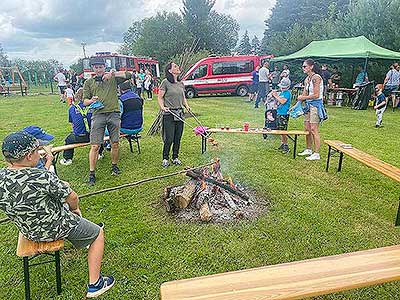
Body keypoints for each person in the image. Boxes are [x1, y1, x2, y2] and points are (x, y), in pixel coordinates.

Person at [0, 132, 114, 298]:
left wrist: (48, 162)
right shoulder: (42, 177)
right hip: (54, 226)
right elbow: (72, 197)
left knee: (64, 190)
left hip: (28, 229)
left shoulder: (3, 177)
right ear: (29, 155)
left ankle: (83, 234)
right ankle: (95, 284)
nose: (39, 153)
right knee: (98, 233)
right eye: (37, 150)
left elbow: (31, 183)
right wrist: (74, 209)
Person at [83, 57, 131, 185]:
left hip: (114, 114)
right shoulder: (88, 82)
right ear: (93, 68)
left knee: (115, 143)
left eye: (101, 67)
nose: (98, 70)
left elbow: (129, 75)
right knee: (95, 145)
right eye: (96, 67)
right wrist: (91, 101)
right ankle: (92, 173)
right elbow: (84, 101)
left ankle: (114, 166)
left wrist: (113, 73)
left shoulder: (113, 78)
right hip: (98, 115)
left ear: (104, 67)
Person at [158, 62, 191, 168]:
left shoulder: (181, 83)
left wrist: (187, 106)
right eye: (175, 66)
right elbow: (160, 97)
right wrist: (163, 107)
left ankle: (175, 157)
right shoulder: (165, 82)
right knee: (169, 138)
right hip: (169, 113)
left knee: (178, 137)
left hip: (180, 113)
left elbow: (183, 97)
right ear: (169, 70)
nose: (178, 68)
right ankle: (165, 158)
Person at [297, 58, 327, 161]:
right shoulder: (307, 79)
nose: (303, 68)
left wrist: (303, 98)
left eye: (305, 66)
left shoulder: (316, 78)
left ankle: (317, 153)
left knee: (314, 129)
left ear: (311, 67)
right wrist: (297, 105)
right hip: (308, 105)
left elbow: (316, 95)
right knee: (307, 128)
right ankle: (308, 149)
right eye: (302, 66)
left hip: (316, 105)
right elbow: (305, 93)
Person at [271, 78, 292, 154]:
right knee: (280, 130)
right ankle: (282, 144)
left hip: (284, 114)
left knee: (283, 131)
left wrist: (276, 96)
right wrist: (274, 97)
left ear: (287, 87)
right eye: (281, 87)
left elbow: (282, 101)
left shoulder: (287, 93)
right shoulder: (282, 92)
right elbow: (278, 101)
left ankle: (286, 146)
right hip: (279, 113)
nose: (282, 88)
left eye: (284, 87)